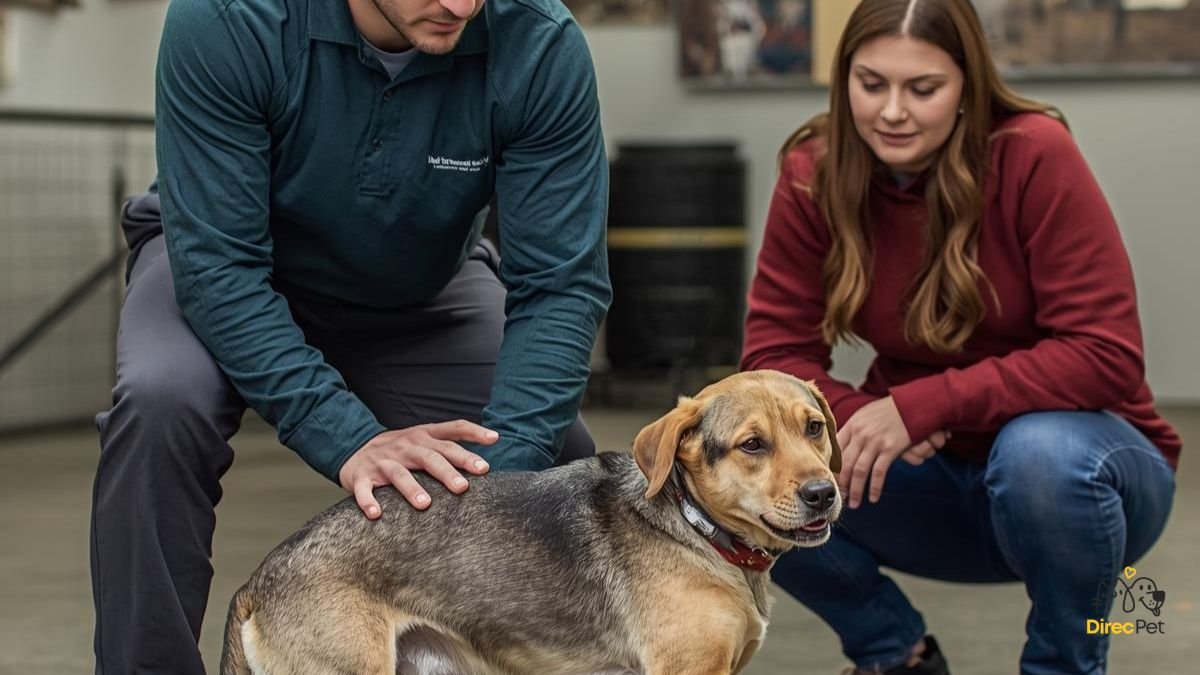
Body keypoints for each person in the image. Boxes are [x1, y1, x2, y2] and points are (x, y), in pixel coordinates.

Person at [89, 0, 610, 672]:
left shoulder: (539, 43)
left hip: (418, 287)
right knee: (160, 403)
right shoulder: (227, 17)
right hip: (226, 264)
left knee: (555, 453)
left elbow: (561, 284)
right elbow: (221, 269)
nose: (458, 4)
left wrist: (495, 497)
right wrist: (345, 436)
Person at [741, 1, 1180, 673]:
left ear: (967, 87)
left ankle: (1062, 665)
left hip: (1087, 479)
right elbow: (773, 358)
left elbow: (1106, 354)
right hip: (930, 480)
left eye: (923, 89)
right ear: (844, 79)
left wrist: (923, 405)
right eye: (871, 83)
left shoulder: (1035, 153)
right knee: (733, 474)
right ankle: (896, 653)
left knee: (1039, 453)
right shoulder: (814, 169)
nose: (892, 111)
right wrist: (864, 416)